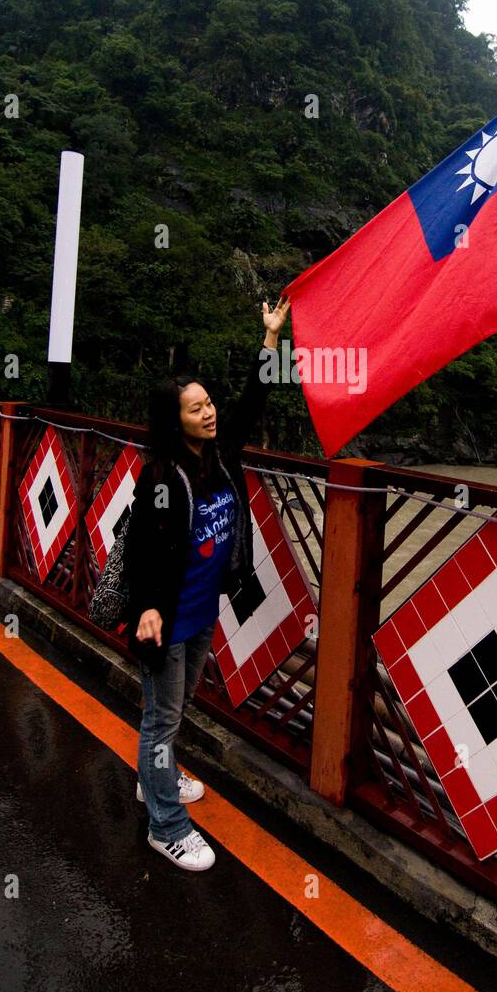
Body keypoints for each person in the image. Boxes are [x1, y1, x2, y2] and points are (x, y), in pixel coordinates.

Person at [123, 297, 291, 872]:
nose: (210, 413)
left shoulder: (219, 457)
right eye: (196, 409)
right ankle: (166, 826)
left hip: (201, 611)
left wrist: (270, 339)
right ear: (175, 421)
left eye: (209, 403)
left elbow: (253, 401)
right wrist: (147, 606)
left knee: (173, 707)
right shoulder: (160, 476)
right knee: (162, 719)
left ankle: (154, 778)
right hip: (166, 617)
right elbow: (141, 545)